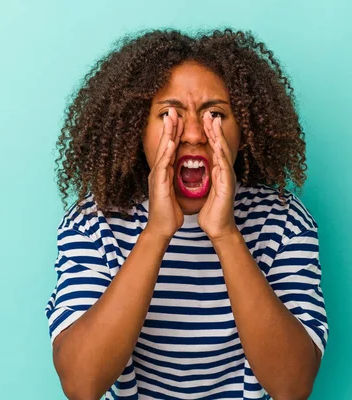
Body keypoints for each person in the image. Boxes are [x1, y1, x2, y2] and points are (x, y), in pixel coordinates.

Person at [45, 28, 329, 400]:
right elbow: (81, 385)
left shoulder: (284, 222)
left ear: (243, 130)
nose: (193, 134)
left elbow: (293, 387)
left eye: (215, 114)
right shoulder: (93, 223)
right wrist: (156, 234)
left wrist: (225, 234)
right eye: (168, 115)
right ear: (136, 129)